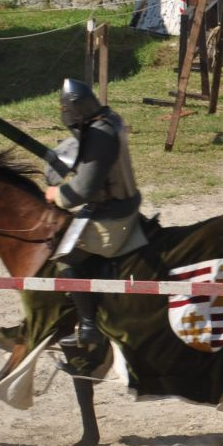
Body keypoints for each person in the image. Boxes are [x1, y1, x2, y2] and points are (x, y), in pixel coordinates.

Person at [43, 79, 146, 353]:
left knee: (66, 257)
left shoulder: (100, 135)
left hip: (113, 215)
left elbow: (84, 190)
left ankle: (89, 327)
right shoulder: (109, 119)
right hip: (120, 203)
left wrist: (57, 194)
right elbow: (83, 145)